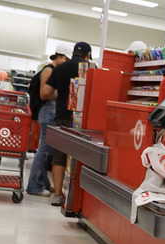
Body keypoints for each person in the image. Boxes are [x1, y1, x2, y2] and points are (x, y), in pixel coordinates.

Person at [41, 41, 93, 207]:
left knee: (59, 157)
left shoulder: (60, 68)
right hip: (84, 121)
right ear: (88, 55)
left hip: (62, 117)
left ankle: (57, 196)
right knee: (80, 158)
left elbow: (45, 93)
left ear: (72, 53)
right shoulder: (92, 69)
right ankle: (77, 197)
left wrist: (62, 98)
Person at [25, 44, 72, 197]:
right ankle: (34, 186)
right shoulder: (49, 70)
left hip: (48, 112)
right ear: (61, 57)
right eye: (66, 59)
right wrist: (62, 97)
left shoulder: (50, 69)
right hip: (48, 111)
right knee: (44, 149)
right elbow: (44, 94)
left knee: (47, 149)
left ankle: (43, 183)